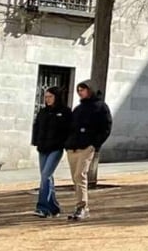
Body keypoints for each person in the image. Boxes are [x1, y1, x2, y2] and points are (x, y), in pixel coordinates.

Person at [64, 80, 112, 222]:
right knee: (76, 178)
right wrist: (67, 143)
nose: (80, 92)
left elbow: (106, 127)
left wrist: (94, 144)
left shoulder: (101, 107)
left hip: (87, 147)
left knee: (80, 175)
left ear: (90, 90)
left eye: (83, 89)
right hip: (73, 147)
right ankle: (79, 206)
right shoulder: (78, 109)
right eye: (79, 90)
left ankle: (82, 207)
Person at [31, 87, 71, 218]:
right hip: (42, 148)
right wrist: (36, 141)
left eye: (50, 96)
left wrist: (64, 144)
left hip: (56, 148)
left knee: (45, 175)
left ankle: (43, 207)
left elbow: (68, 130)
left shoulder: (65, 112)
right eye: (46, 96)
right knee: (46, 177)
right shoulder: (42, 112)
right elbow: (37, 127)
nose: (47, 99)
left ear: (56, 97)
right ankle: (53, 207)